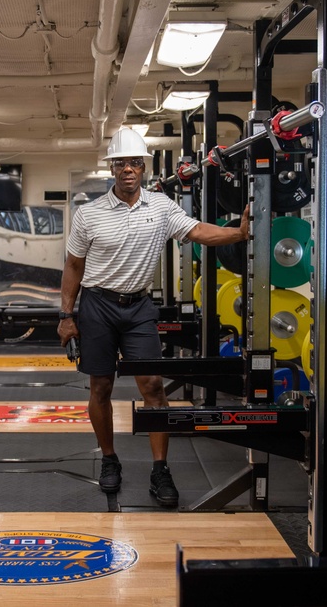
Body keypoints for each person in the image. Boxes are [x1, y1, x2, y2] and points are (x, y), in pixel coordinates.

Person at [57, 128, 250, 508]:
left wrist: (239, 233)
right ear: (111, 167)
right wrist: (66, 315)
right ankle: (109, 460)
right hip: (97, 305)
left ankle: (160, 468)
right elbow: (73, 266)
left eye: (135, 163)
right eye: (121, 163)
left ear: (143, 168)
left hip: (139, 307)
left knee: (154, 387)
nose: (128, 169)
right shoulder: (88, 215)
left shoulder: (161, 207)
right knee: (100, 388)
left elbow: (197, 231)